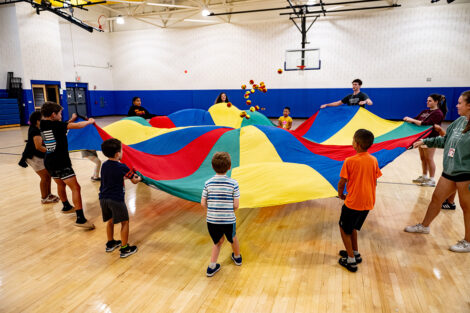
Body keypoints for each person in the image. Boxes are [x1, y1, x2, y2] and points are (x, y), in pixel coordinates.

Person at [404, 91, 470, 253]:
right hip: (450, 170)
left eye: (460, 103)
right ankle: (424, 226)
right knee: (436, 198)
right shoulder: (460, 121)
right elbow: (446, 141)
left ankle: (468, 241)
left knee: (466, 207)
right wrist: (425, 141)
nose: (457, 105)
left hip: (466, 174)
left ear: (469, 105)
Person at [40, 102, 95, 229]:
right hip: (61, 161)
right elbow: (78, 126)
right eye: (59, 113)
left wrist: (70, 120)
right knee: (76, 188)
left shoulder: (43, 124)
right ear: (53, 115)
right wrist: (89, 122)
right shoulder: (58, 125)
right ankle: (80, 218)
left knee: (60, 184)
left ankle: (66, 206)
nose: (61, 115)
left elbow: (63, 126)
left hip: (49, 160)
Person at [337, 129, 382, 272]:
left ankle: (350, 260)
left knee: (343, 228)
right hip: (367, 202)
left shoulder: (349, 161)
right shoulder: (374, 160)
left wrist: (340, 194)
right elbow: (375, 181)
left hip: (353, 202)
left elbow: (342, 182)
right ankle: (355, 252)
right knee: (353, 227)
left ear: (356, 144)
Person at [201, 152, 242, 277]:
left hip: (212, 220)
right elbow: (236, 205)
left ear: (213, 167)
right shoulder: (233, 184)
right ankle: (237, 257)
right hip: (228, 219)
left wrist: (213, 209)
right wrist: (228, 211)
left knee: (217, 242)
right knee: (232, 237)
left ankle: (212, 266)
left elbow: (203, 203)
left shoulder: (208, 183)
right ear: (229, 167)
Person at [100, 138, 141, 258]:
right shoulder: (122, 167)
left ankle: (110, 243)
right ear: (118, 154)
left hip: (103, 198)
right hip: (116, 199)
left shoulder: (105, 165)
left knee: (110, 220)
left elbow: (111, 178)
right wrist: (140, 178)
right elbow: (134, 181)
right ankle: (125, 248)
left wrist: (125, 177)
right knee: (125, 222)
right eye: (122, 150)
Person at [404, 94, 447, 187]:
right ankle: (424, 176)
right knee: (423, 158)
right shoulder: (425, 111)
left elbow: (426, 124)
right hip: (422, 138)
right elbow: (416, 119)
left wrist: (412, 120)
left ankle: (432, 179)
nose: (427, 102)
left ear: (436, 102)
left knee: (429, 158)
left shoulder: (438, 113)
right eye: (427, 100)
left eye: (430, 101)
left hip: (431, 138)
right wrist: (409, 120)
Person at [19, 111, 59, 204]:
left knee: (48, 175)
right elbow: (39, 147)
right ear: (37, 121)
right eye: (43, 119)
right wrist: (53, 151)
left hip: (40, 156)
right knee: (44, 177)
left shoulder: (40, 128)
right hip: (33, 157)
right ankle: (44, 198)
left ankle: (49, 195)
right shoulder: (34, 130)